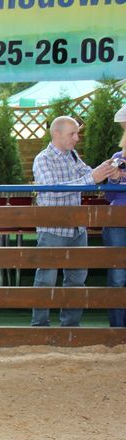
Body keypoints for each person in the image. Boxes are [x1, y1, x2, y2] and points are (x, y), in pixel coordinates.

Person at [31, 116, 119, 327]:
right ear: (57, 134)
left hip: (77, 229)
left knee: (76, 280)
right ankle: (39, 327)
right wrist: (93, 177)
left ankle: (70, 327)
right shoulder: (42, 159)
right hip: (53, 229)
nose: (77, 138)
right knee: (46, 280)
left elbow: (87, 174)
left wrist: (108, 170)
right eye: (73, 134)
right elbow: (53, 189)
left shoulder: (72, 155)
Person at [103, 105, 126, 327]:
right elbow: (109, 195)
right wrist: (116, 178)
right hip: (118, 220)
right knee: (118, 277)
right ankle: (118, 329)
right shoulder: (118, 157)